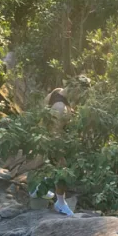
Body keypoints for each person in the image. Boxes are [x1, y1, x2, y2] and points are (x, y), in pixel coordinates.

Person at [42, 87, 75, 216]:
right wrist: (60, 152)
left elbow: (43, 111)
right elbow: (55, 131)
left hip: (45, 138)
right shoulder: (60, 107)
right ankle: (60, 203)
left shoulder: (56, 91)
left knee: (48, 167)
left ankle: (39, 189)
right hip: (55, 141)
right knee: (62, 171)